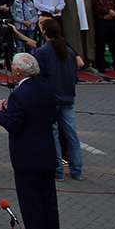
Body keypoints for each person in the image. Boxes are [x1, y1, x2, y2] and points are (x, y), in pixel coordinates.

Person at [0, 52, 60, 229]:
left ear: (17, 71)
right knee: (49, 202)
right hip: (47, 154)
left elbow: (15, 125)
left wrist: (1, 114)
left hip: (27, 158)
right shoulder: (47, 89)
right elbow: (52, 117)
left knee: (31, 203)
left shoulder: (18, 95)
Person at [33, 16, 83, 181]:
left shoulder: (42, 52)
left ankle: (58, 171)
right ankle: (76, 171)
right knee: (72, 135)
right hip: (68, 97)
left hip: (51, 99)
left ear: (45, 32)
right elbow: (75, 75)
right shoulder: (68, 51)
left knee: (53, 135)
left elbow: (38, 78)